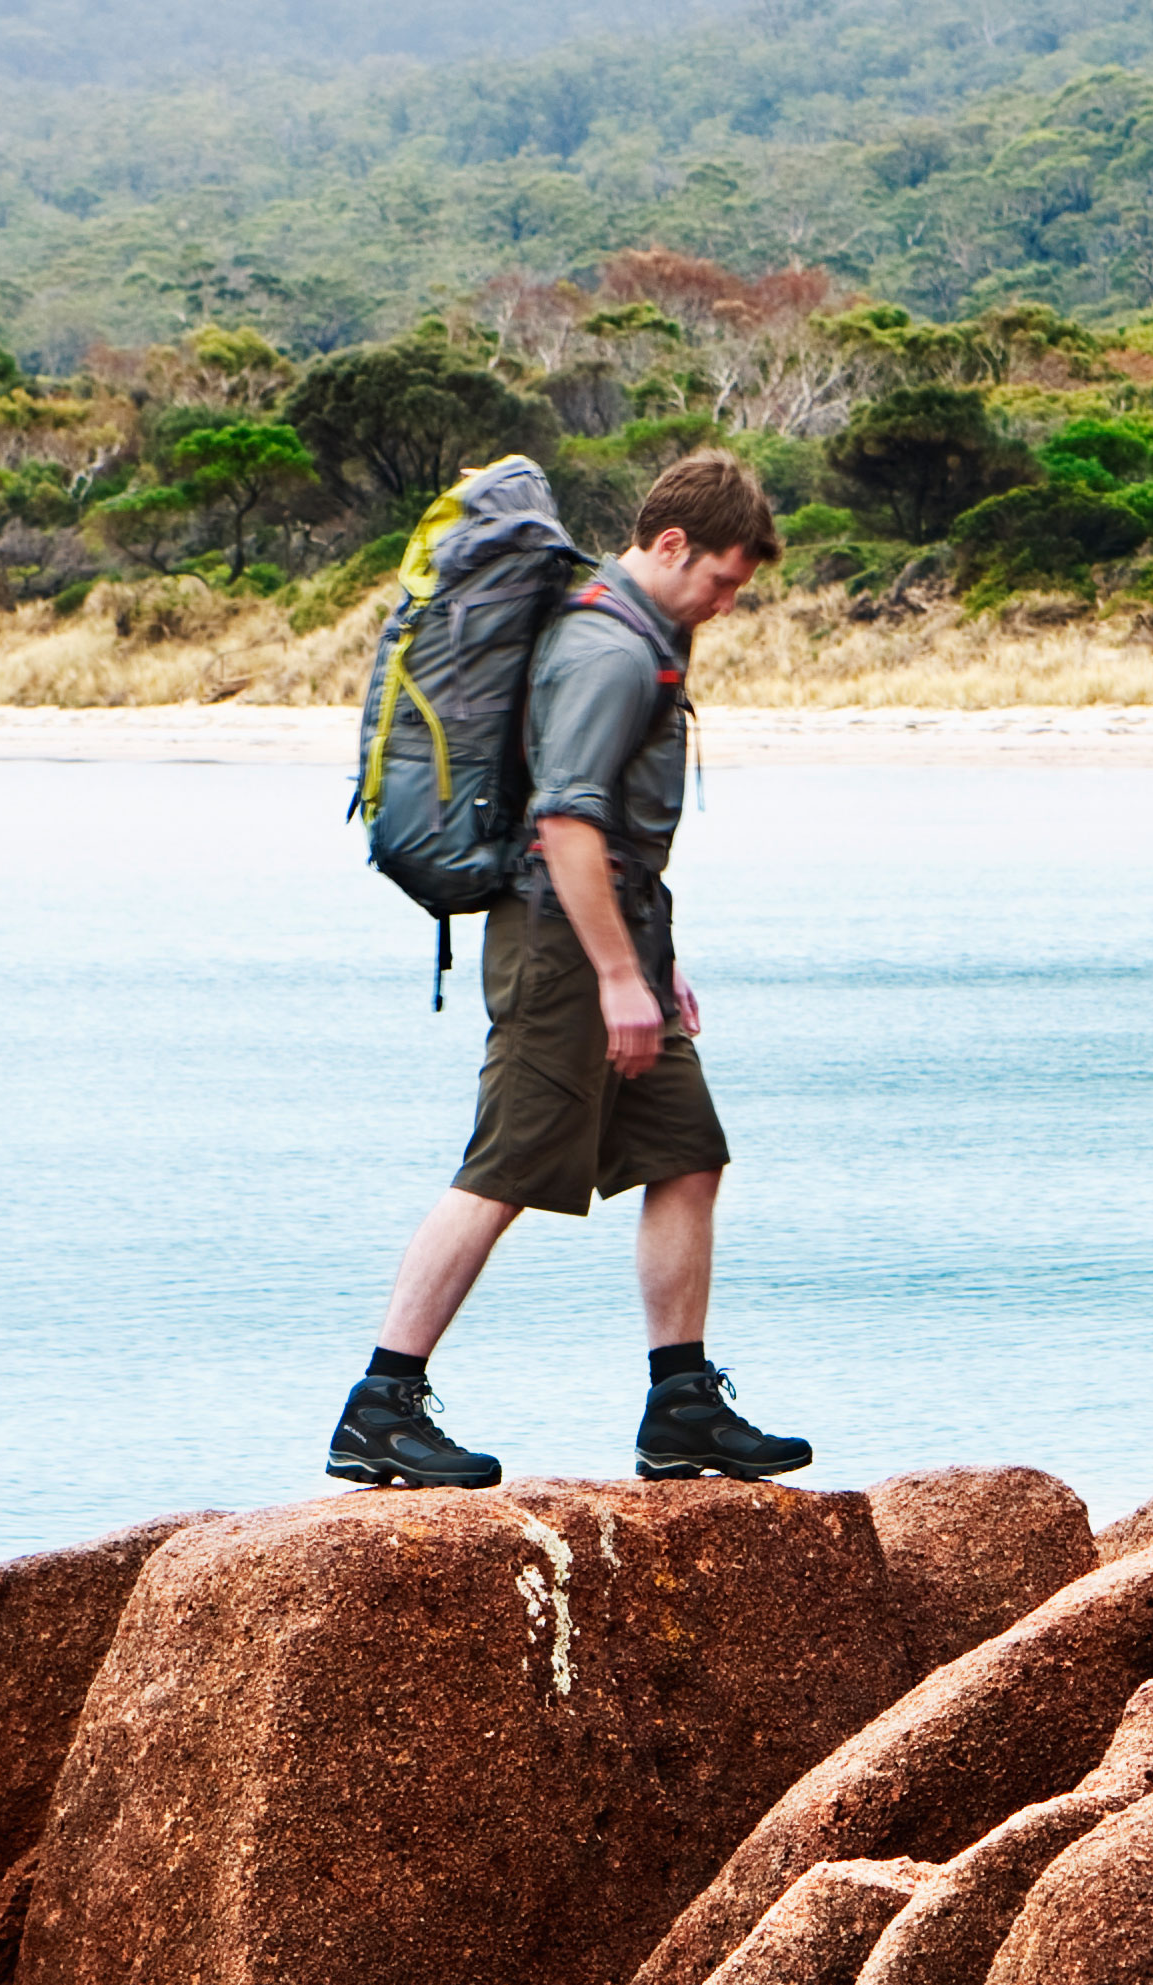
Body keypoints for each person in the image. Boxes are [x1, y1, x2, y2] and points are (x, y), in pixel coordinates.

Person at [330, 454, 819, 1490]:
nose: (728, 604)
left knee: (688, 1152)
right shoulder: (606, 649)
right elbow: (565, 826)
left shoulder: (646, 634)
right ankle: (381, 1403)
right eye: (723, 581)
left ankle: (681, 1403)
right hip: (561, 944)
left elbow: (628, 843)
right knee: (507, 1165)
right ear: (672, 544)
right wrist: (615, 978)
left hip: (617, 938)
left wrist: (657, 967)